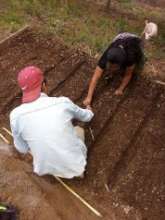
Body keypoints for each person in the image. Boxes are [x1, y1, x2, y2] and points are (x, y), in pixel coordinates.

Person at [10, 66, 94, 179]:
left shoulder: (15, 116)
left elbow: (22, 149)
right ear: (43, 85)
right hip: (76, 167)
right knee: (78, 130)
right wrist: (89, 111)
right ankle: (79, 172)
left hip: (43, 168)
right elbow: (86, 117)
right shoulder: (62, 103)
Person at [83, 32, 144, 107]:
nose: (111, 68)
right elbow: (95, 77)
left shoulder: (130, 57)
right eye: (110, 66)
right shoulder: (106, 57)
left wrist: (120, 89)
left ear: (120, 64)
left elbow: (128, 74)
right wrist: (89, 97)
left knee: (139, 63)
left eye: (114, 67)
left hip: (134, 42)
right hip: (120, 37)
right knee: (105, 67)